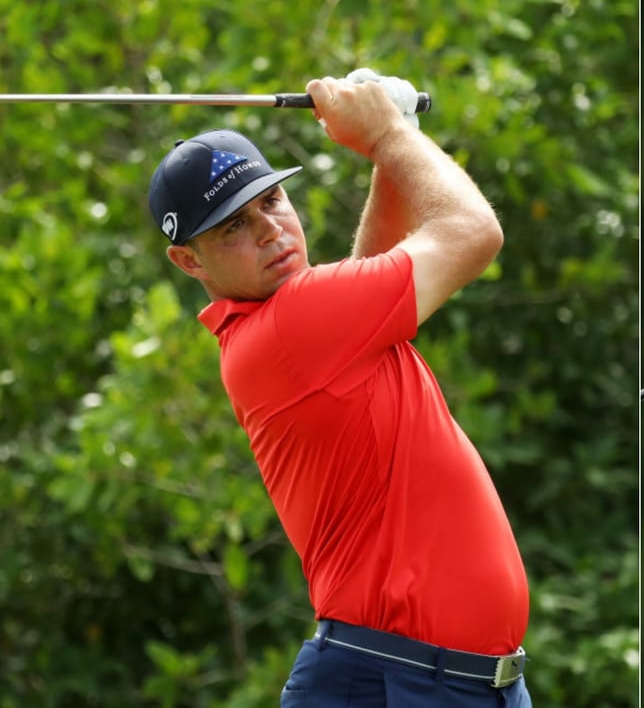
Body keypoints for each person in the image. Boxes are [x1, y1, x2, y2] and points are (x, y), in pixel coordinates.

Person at [147, 70, 532, 707]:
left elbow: (363, 275)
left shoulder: (300, 324)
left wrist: (398, 137)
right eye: (231, 229)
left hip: (416, 676)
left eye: (271, 202)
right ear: (190, 261)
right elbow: (473, 232)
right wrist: (383, 133)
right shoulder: (294, 324)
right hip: (402, 680)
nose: (269, 231)